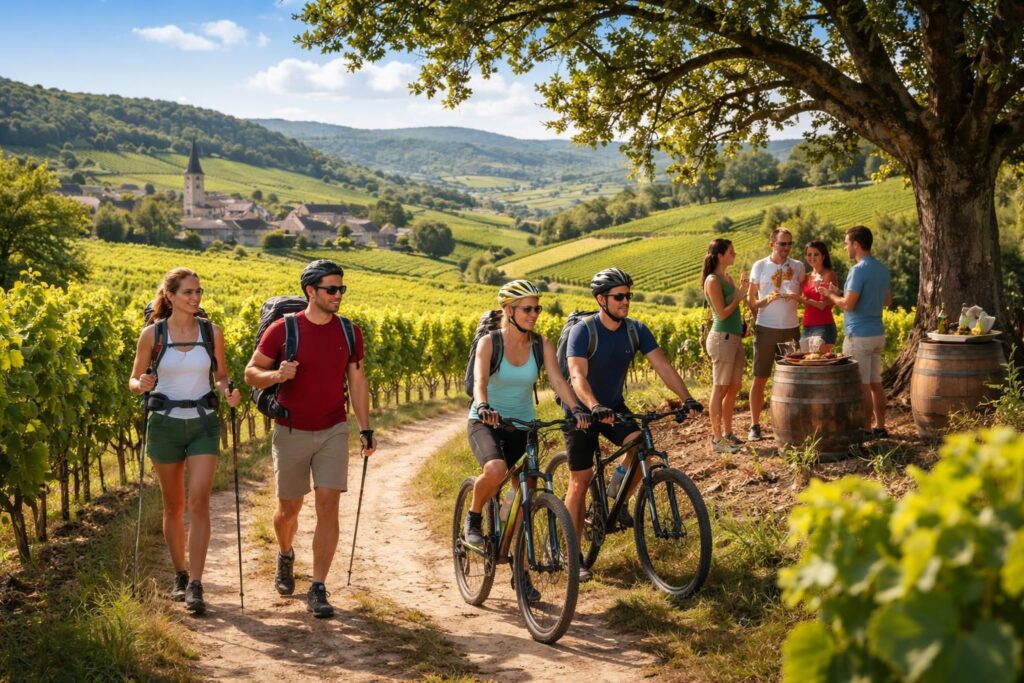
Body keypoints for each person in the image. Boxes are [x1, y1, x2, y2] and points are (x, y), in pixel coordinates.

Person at [244, 259, 377, 618]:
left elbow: (358, 383)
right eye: (331, 289)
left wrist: (364, 427)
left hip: (334, 428)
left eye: (341, 289)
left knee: (328, 506)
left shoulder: (350, 332)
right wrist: (276, 375)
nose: (338, 295)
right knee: (288, 510)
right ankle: (285, 553)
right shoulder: (283, 330)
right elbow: (250, 373)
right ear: (311, 292)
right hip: (291, 429)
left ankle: (318, 586)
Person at [564, 268, 703, 580]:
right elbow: (576, 376)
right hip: (582, 411)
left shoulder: (635, 330)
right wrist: (593, 406)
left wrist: (687, 398)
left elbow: (663, 366)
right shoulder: (584, 331)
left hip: (612, 406)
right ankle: (575, 557)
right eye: (619, 296)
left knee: (641, 444)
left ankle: (614, 499)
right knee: (581, 479)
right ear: (601, 299)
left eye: (629, 295)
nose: (626, 301)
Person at [464, 280, 591, 600]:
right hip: (487, 421)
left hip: (524, 425)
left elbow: (559, 381)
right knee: (494, 470)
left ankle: (519, 573)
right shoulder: (490, 343)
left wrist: (577, 409)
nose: (535, 314)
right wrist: (483, 405)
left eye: (537, 308)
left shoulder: (541, 344)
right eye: (528, 308)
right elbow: (480, 382)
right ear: (509, 311)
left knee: (524, 497)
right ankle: (474, 518)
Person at [128, 267, 242, 615]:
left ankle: (195, 583)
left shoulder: (212, 332)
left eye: (198, 291)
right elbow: (134, 379)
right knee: (173, 506)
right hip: (164, 425)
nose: (195, 298)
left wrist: (227, 392)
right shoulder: (152, 334)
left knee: (199, 503)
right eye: (188, 292)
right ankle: (180, 573)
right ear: (171, 296)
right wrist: (141, 386)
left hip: (203, 425)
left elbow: (220, 376)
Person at [817, 226, 892, 438]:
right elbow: (886, 301)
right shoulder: (882, 269)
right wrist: (839, 292)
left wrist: (829, 295)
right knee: (876, 384)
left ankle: (866, 430)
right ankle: (880, 426)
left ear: (856, 245)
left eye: (847, 243)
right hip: (878, 333)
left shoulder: (857, 270)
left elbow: (849, 305)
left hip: (859, 335)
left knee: (862, 386)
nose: (845, 247)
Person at [746, 228, 805, 441]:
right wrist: (767, 300)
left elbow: (807, 295)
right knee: (760, 377)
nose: (786, 248)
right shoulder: (760, 266)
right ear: (772, 244)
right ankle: (754, 425)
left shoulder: (798, 267)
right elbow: (751, 301)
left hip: (790, 329)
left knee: (791, 379)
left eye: (789, 244)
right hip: (766, 328)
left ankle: (789, 423)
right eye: (782, 244)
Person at [702, 239, 750, 454]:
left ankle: (729, 433)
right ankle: (717, 438)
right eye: (731, 251)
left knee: (734, 387)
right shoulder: (712, 281)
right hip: (722, 339)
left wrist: (743, 293)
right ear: (720, 255)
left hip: (735, 337)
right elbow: (721, 314)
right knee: (720, 388)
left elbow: (734, 309)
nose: (735, 254)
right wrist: (739, 296)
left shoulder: (727, 277)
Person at [799, 240, 839, 353]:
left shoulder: (828, 275)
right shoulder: (806, 277)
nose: (812, 257)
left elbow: (822, 305)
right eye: (809, 254)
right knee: (807, 363)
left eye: (816, 254)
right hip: (806, 326)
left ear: (823, 256)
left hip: (824, 326)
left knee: (820, 364)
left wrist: (802, 299)